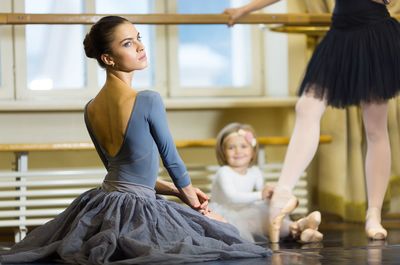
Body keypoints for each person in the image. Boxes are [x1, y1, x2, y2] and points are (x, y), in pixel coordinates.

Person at [0, 16, 270, 264]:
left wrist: (177, 192)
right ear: (108, 58)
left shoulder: (90, 108)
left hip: (100, 204)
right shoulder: (147, 100)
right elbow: (172, 161)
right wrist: (194, 202)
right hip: (137, 210)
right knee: (226, 235)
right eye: (128, 43)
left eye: (139, 37)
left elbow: (126, 174)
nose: (141, 47)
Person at [223, 0, 399, 242]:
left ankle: (374, 214)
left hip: (374, 35)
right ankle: (283, 193)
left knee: (376, 127)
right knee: (306, 107)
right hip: (340, 36)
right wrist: (244, 9)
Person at [209, 123, 323, 243]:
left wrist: (270, 196)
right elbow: (232, 197)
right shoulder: (224, 172)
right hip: (225, 214)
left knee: (268, 215)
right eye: (231, 147)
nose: (238, 151)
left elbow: (261, 197)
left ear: (253, 152)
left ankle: (301, 228)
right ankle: (298, 229)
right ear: (223, 152)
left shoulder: (255, 172)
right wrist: (260, 194)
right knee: (252, 222)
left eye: (243, 146)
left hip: (246, 210)